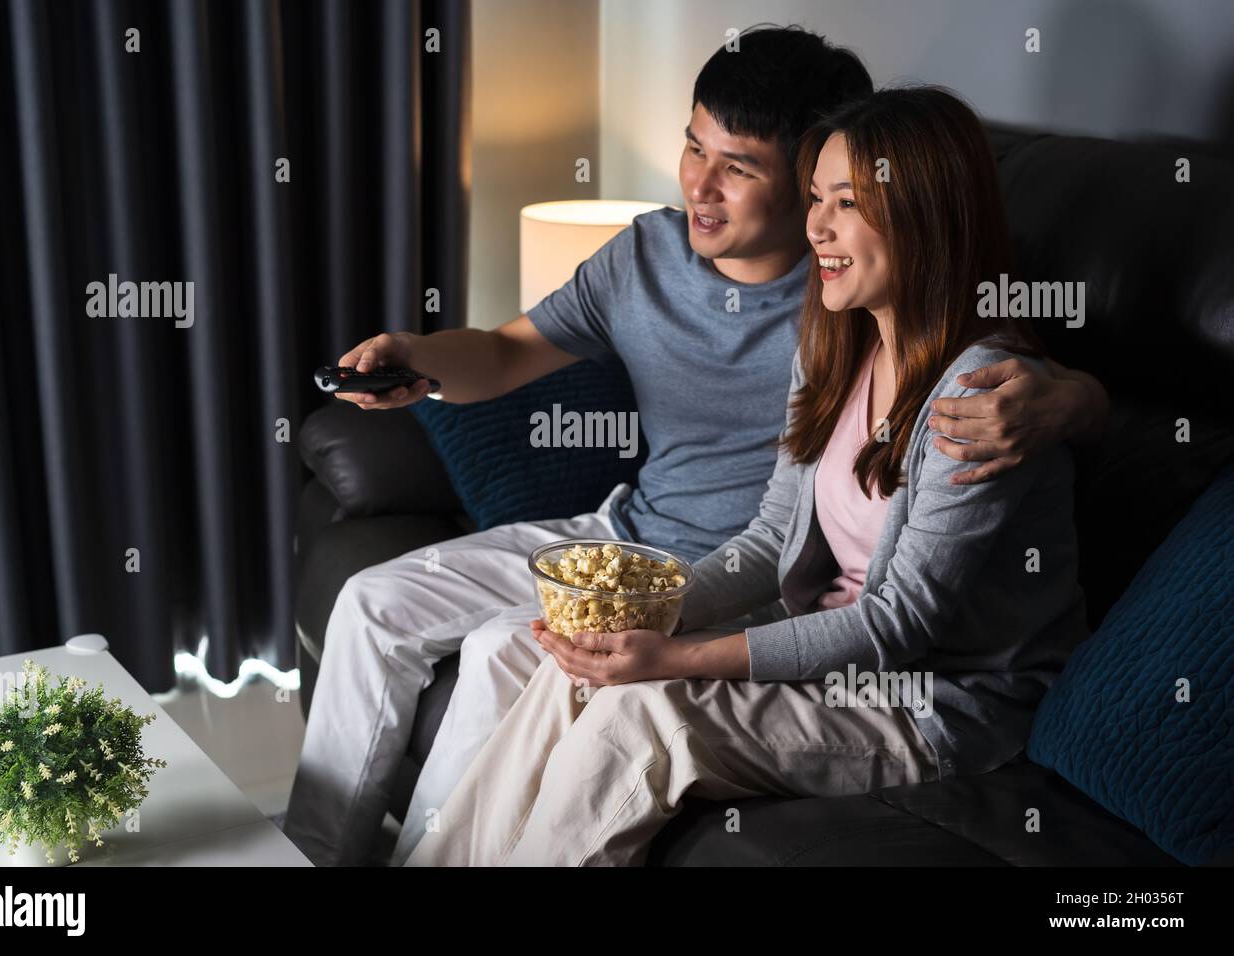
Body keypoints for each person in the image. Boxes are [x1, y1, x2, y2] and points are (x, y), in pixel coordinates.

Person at [284, 27, 1107, 868]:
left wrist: (1079, 397)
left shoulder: (977, 395)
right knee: (542, 655)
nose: (822, 226)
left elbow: (895, 620)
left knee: (611, 698)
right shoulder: (831, 339)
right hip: (679, 562)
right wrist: (414, 360)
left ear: (922, 213)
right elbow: (767, 535)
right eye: (820, 197)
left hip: (927, 697)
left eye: (842, 201)